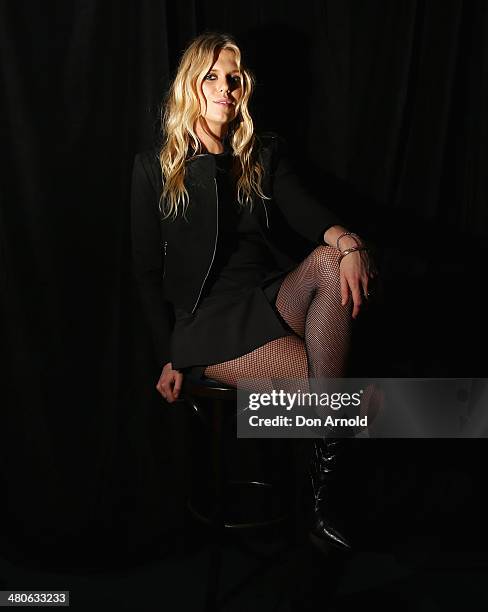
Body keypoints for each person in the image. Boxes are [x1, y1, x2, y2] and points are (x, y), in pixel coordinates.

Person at [130, 31, 376, 551]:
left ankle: (319, 490)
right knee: (340, 394)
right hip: (206, 324)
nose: (225, 88)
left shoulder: (262, 152)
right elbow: (147, 272)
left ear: (245, 89)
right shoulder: (155, 168)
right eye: (212, 77)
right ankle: (322, 500)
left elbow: (305, 211)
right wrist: (166, 356)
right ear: (191, 86)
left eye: (234, 79)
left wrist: (350, 242)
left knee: (333, 260)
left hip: (266, 299)